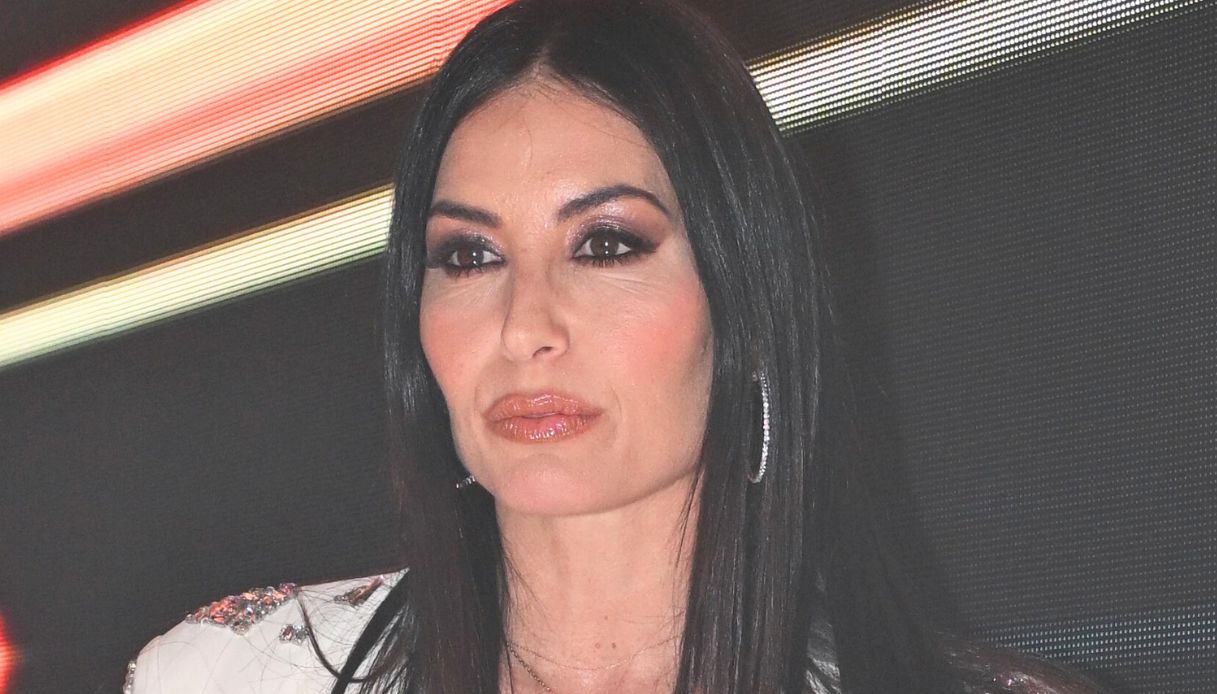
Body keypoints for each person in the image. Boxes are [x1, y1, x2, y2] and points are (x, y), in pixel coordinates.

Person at [126, 0, 1112, 692]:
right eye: (469, 256)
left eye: (603, 246)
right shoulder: (230, 677)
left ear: (745, 300)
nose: (524, 327)